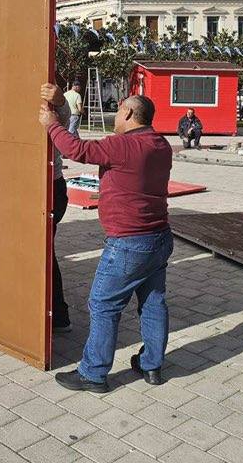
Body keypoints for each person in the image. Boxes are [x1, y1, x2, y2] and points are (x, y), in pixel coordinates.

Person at [39, 91, 173, 393]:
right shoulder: (160, 144)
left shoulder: (122, 145)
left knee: (103, 304)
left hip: (129, 243)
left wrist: (52, 124)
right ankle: (151, 365)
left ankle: (93, 373)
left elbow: (76, 150)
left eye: (119, 110)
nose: (116, 116)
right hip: (159, 238)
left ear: (128, 114)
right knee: (153, 303)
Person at [40, 84, 73, 332]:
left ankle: (58, 315)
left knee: (42, 250)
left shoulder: (48, 91)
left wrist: (61, 102)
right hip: (20, 184)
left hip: (50, 185)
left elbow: (61, 122)